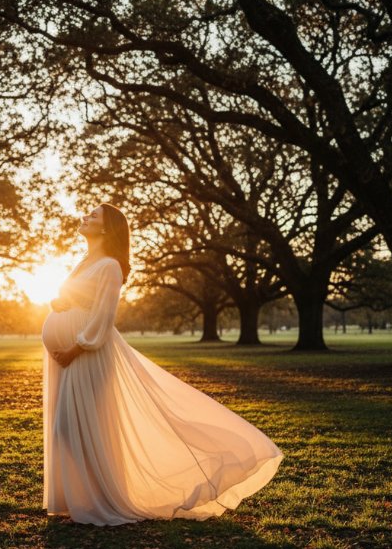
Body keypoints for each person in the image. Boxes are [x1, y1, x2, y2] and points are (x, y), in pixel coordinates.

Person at [41, 203, 284, 526]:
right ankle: (78, 500)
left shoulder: (110, 266)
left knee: (76, 427)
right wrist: (61, 304)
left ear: (106, 228)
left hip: (87, 354)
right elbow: (79, 300)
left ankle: (98, 502)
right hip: (67, 356)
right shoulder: (85, 263)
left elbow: (104, 315)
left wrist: (76, 347)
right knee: (69, 427)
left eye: (93, 216)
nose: (84, 217)